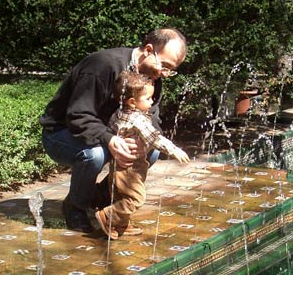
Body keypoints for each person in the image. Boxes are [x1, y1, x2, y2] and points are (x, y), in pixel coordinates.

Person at [39, 28, 187, 233]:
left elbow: (152, 119)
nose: (164, 74)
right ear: (148, 49)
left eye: (171, 70)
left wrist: (138, 144)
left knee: (151, 152)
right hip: (61, 133)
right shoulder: (102, 65)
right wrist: (110, 140)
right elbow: (78, 115)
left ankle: (101, 201)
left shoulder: (152, 78)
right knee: (95, 154)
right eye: (165, 66)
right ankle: (75, 207)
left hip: (104, 135)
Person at [95, 71, 189, 239]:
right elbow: (154, 138)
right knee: (135, 198)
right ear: (132, 102)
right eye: (148, 98)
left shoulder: (118, 113)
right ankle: (108, 216)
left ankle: (121, 224)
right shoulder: (138, 119)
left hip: (117, 164)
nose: (152, 101)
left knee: (120, 195)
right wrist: (174, 150)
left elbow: (111, 128)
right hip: (131, 166)